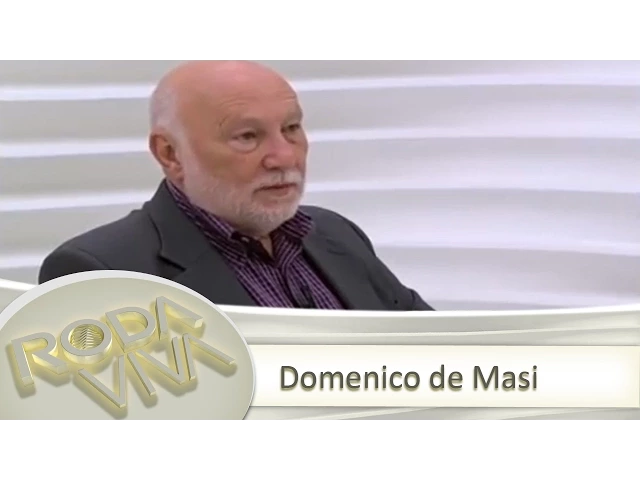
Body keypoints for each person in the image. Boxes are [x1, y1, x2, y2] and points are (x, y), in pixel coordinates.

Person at [38, 60, 434, 311]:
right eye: (247, 136)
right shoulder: (101, 271)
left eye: (291, 128)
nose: (284, 157)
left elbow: (437, 353)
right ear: (171, 154)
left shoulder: (335, 232)